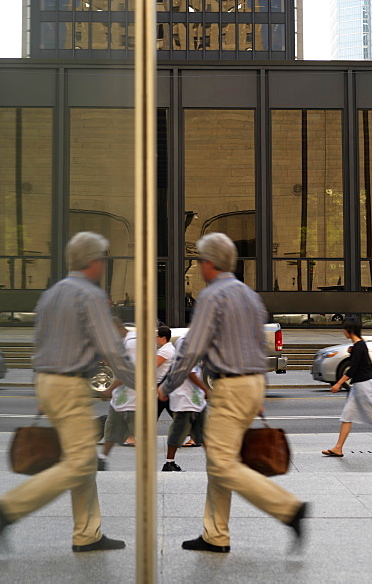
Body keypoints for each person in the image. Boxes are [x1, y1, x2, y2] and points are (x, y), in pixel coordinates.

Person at [159, 232, 307, 554]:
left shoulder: (213, 296)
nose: (197, 266)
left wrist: (166, 386)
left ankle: (288, 509)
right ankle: (215, 535)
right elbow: (257, 346)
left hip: (230, 385)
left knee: (221, 463)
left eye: (198, 260)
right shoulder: (249, 295)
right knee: (219, 462)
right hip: (252, 383)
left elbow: (191, 350)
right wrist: (259, 396)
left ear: (208, 263)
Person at [0, 232, 135, 553]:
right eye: (103, 261)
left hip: (49, 380)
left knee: (79, 458)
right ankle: (10, 508)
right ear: (94, 262)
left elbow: (40, 343)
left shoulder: (51, 294)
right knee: (82, 463)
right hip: (68, 385)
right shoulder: (90, 295)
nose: (104, 267)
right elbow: (110, 348)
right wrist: (137, 380)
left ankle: (88, 534)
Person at [322, 317, 372, 459]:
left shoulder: (359, 346)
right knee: (347, 416)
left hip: (363, 386)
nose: (343, 332)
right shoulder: (359, 346)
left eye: (344, 329)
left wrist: (338, 383)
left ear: (349, 330)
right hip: (360, 386)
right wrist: (352, 352)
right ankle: (338, 448)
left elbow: (353, 370)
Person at [162, 333, 209, 472]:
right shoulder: (187, 342)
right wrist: (204, 388)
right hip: (185, 396)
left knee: (205, 432)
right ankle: (169, 463)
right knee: (178, 431)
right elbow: (189, 371)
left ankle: (214, 463)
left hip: (194, 398)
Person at [98, 320, 138, 468]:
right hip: (121, 398)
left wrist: (108, 390)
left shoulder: (132, 343)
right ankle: (102, 459)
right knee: (112, 428)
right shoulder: (123, 344)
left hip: (135, 398)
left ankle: (148, 467)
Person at [155, 326, 176, 420]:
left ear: (163, 338)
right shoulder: (170, 349)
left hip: (162, 384)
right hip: (165, 384)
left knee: (154, 412)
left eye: (157, 336)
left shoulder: (165, 351)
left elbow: (153, 365)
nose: (156, 339)